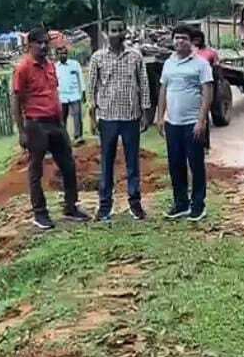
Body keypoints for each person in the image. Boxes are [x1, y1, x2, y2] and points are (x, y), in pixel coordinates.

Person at [12, 28, 90, 230]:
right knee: (36, 169)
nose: (44, 46)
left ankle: (71, 206)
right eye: (39, 43)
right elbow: (16, 100)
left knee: (68, 165)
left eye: (46, 42)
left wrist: (61, 122)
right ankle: (40, 213)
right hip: (36, 124)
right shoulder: (23, 68)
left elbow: (53, 93)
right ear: (30, 45)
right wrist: (21, 131)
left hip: (56, 122)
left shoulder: (50, 66)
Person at [86, 18, 152, 222]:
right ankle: (105, 206)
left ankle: (135, 204)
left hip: (131, 117)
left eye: (120, 30)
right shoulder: (97, 58)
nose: (117, 34)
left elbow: (144, 84)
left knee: (133, 163)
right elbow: (91, 88)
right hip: (107, 118)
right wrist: (92, 116)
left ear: (125, 32)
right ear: (106, 33)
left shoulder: (135, 56)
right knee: (107, 162)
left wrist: (145, 112)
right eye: (113, 30)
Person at [155, 25, 214, 222]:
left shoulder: (201, 64)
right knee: (175, 164)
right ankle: (181, 204)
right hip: (172, 123)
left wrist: (201, 120)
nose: (180, 41)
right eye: (177, 38)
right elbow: (163, 90)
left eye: (184, 38)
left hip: (192, 123)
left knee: (196, 164)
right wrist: (160, 117)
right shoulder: (168, 63)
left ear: (191, 41)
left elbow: (207, 92)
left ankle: (198, 205)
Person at [191, 29, 218, 150]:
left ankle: (205, 144)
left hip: (207, 85)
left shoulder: (210, 53)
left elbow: (216, 70)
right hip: (193, 87)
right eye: (194, 38)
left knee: (204, 114)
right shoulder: (190, 52)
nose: (197, 41)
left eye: (199, 38)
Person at [54, 45, 86, 143]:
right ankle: (63, 138)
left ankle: (78, 136)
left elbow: (81, 78)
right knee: (62, 118)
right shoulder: (55, 67)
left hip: (74, 95)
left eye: (65, 53)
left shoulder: (75, 64)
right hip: (62, 96)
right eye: (60, 54)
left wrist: (83, 91)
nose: (63, 55)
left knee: (77, 116)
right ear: (57, 55)